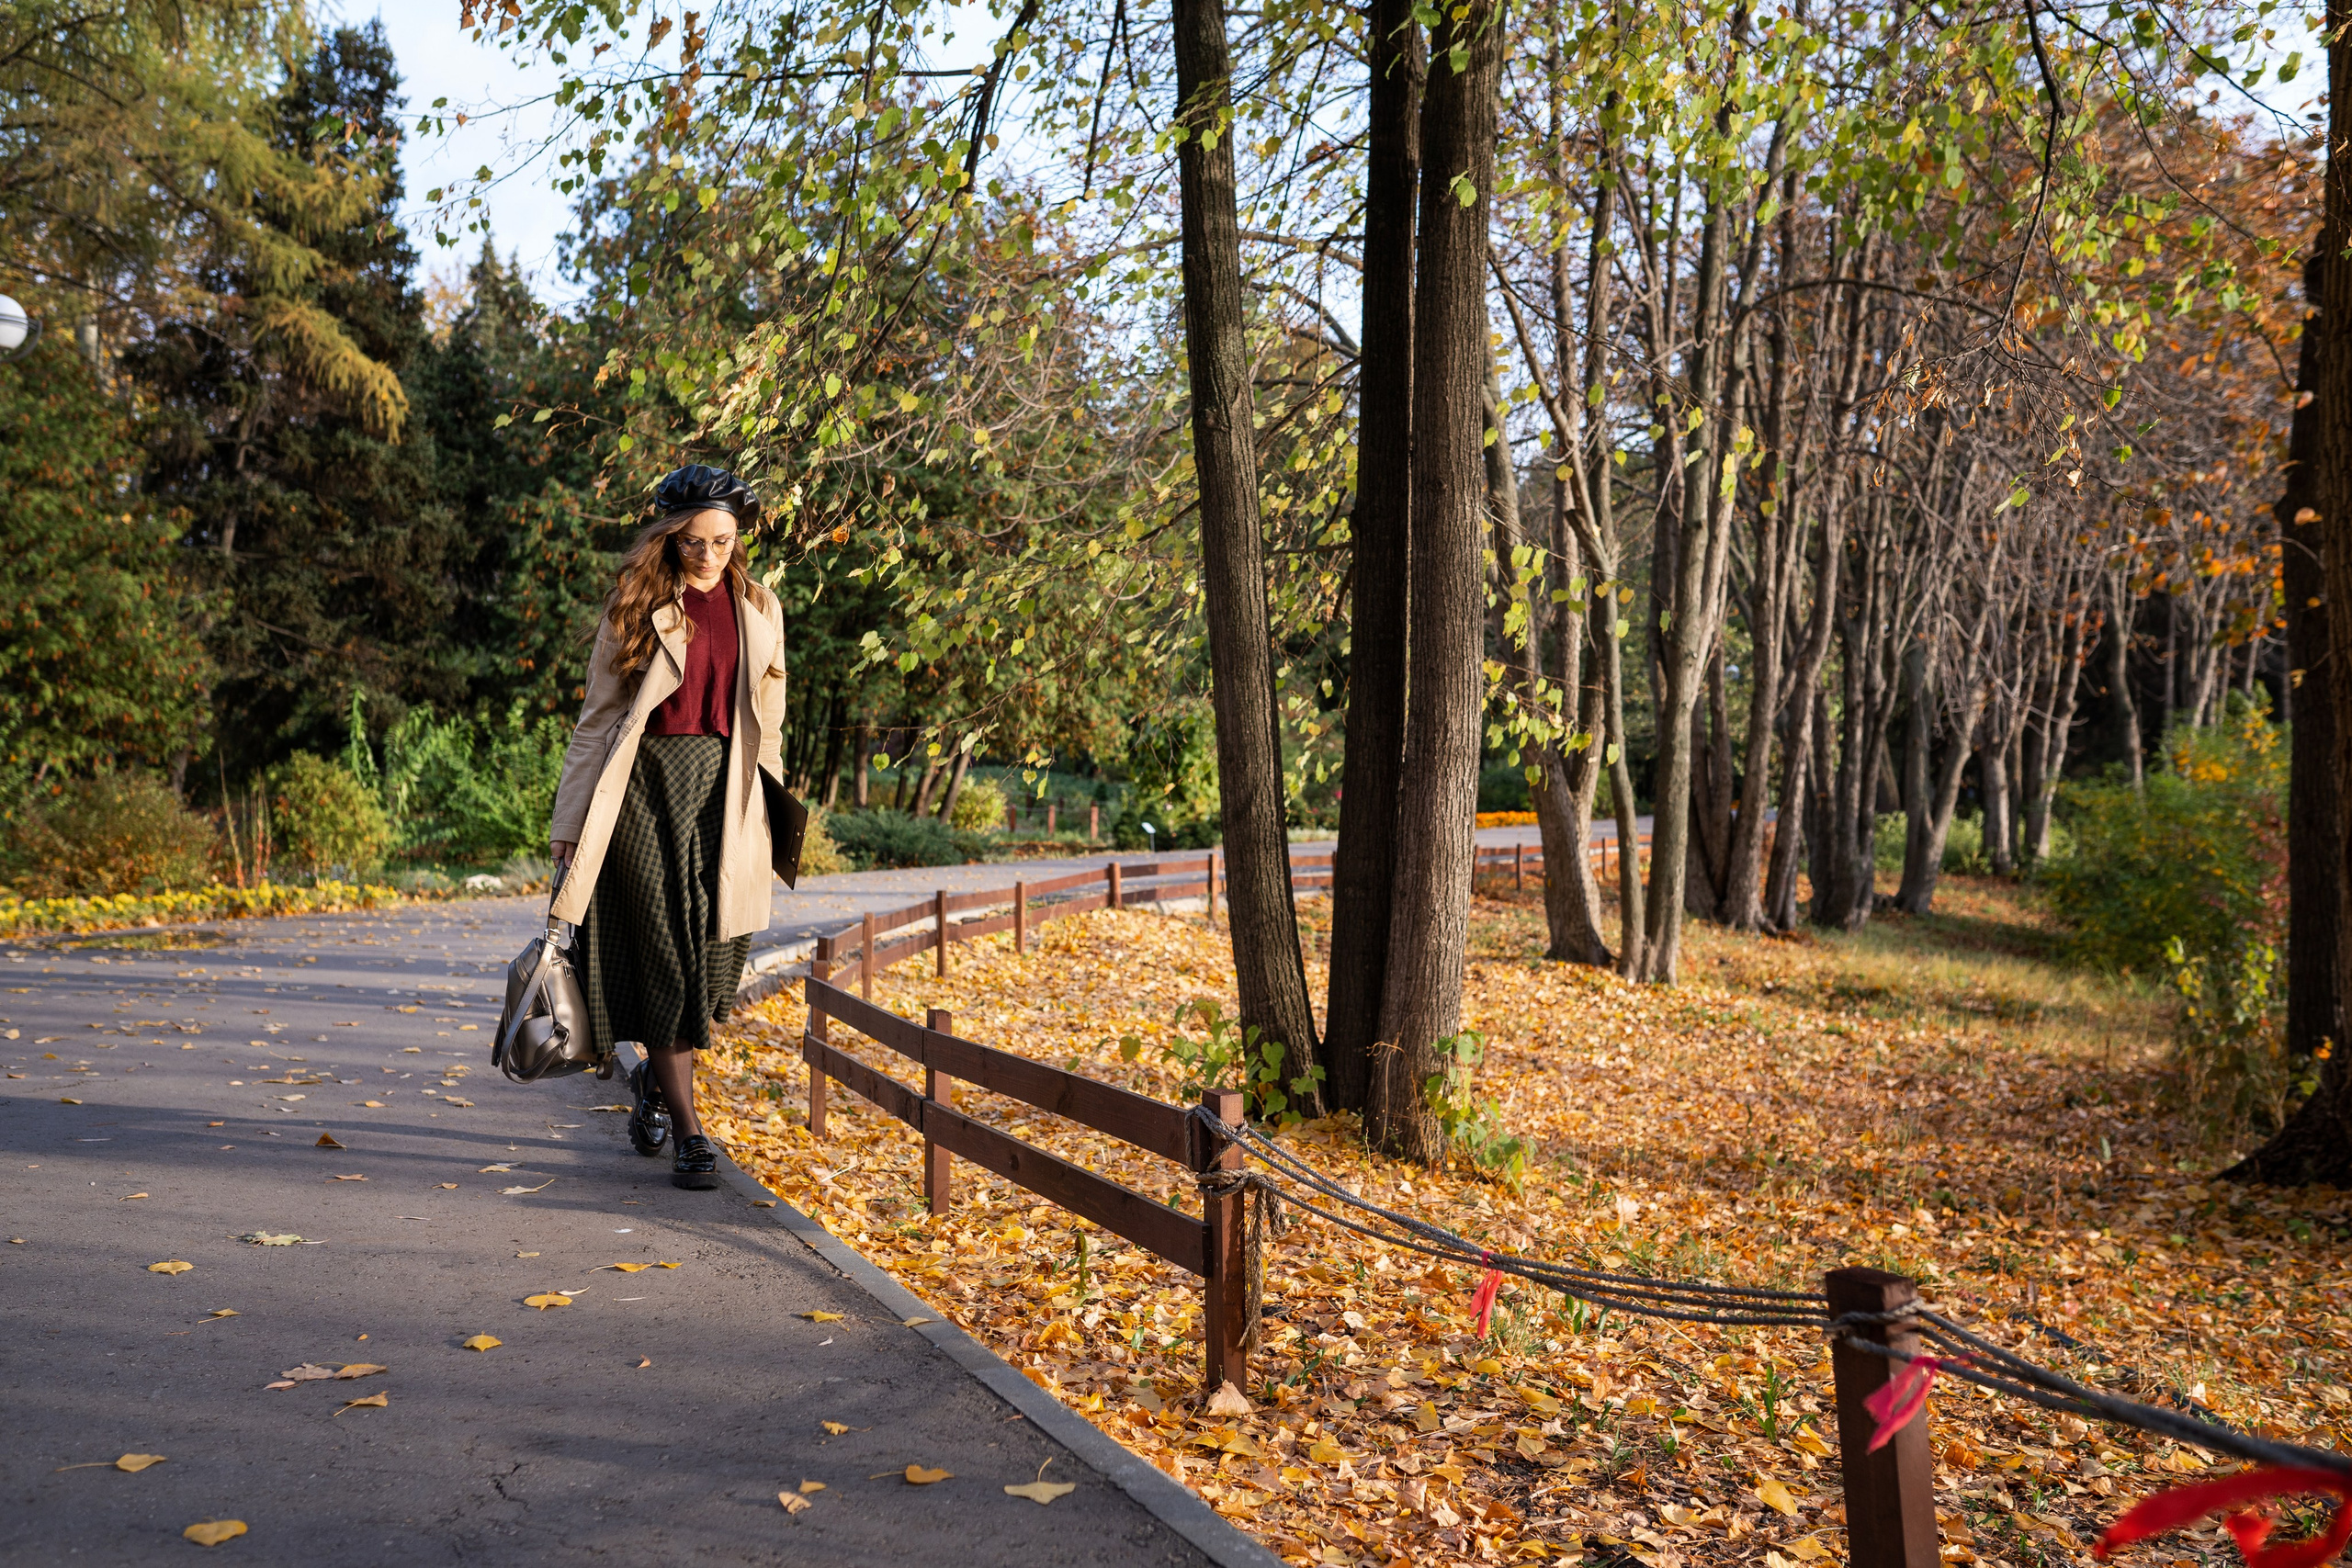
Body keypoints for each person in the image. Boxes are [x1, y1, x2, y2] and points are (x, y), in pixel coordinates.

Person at [547, 465, 787, 1189]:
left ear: (738, 538)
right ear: (668, 539)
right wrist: (568, 820)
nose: (709, 554)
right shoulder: (637, 604)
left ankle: (656, 1079)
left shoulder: (761, 608)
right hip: (642, 795)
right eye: (692, 542)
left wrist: (773, 811)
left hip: (725, 796)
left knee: (711, 970)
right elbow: (596, 721)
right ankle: (691, 1132)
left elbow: (768, 724)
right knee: (661, 960)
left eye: (722, 540)